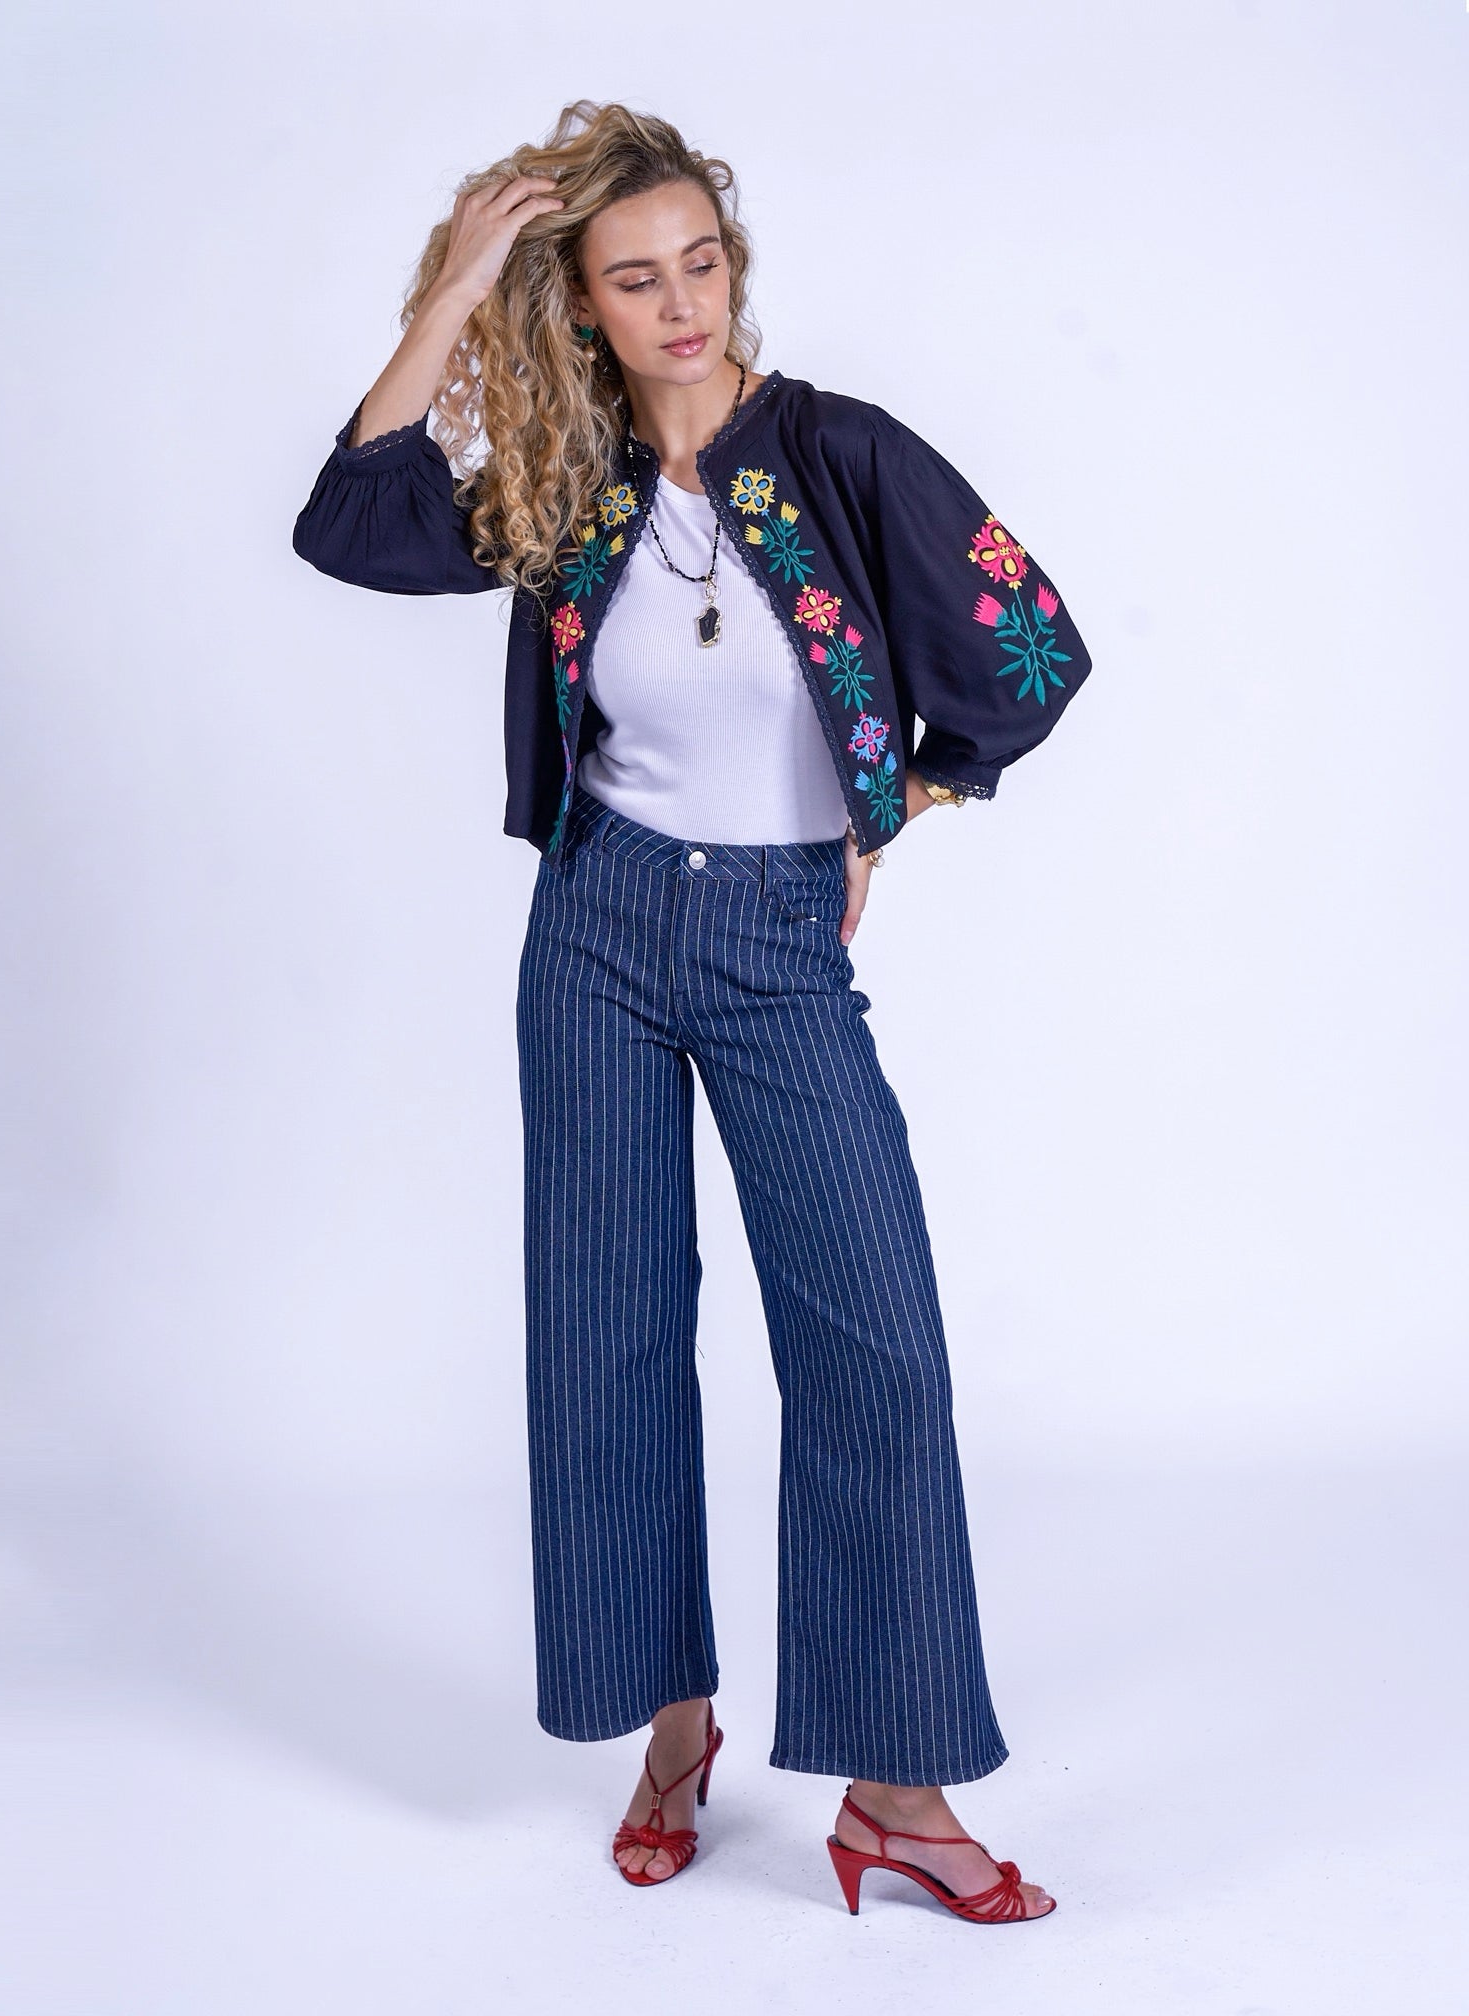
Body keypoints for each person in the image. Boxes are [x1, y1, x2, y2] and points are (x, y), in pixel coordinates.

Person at [292, 98, 1092, 1925]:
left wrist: (894, 803)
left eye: (701, 265)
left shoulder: (837, 450)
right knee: (610, 1338)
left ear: (735, 270)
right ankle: (674, 1730)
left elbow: (1030, 647)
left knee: (876, 1345)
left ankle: (895, 1788)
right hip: (595, 924)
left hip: (779, 939)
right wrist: (457, 284)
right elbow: (350, 523)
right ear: (582, 302)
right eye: (634, 278)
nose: (680, 306)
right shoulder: (563, 485)